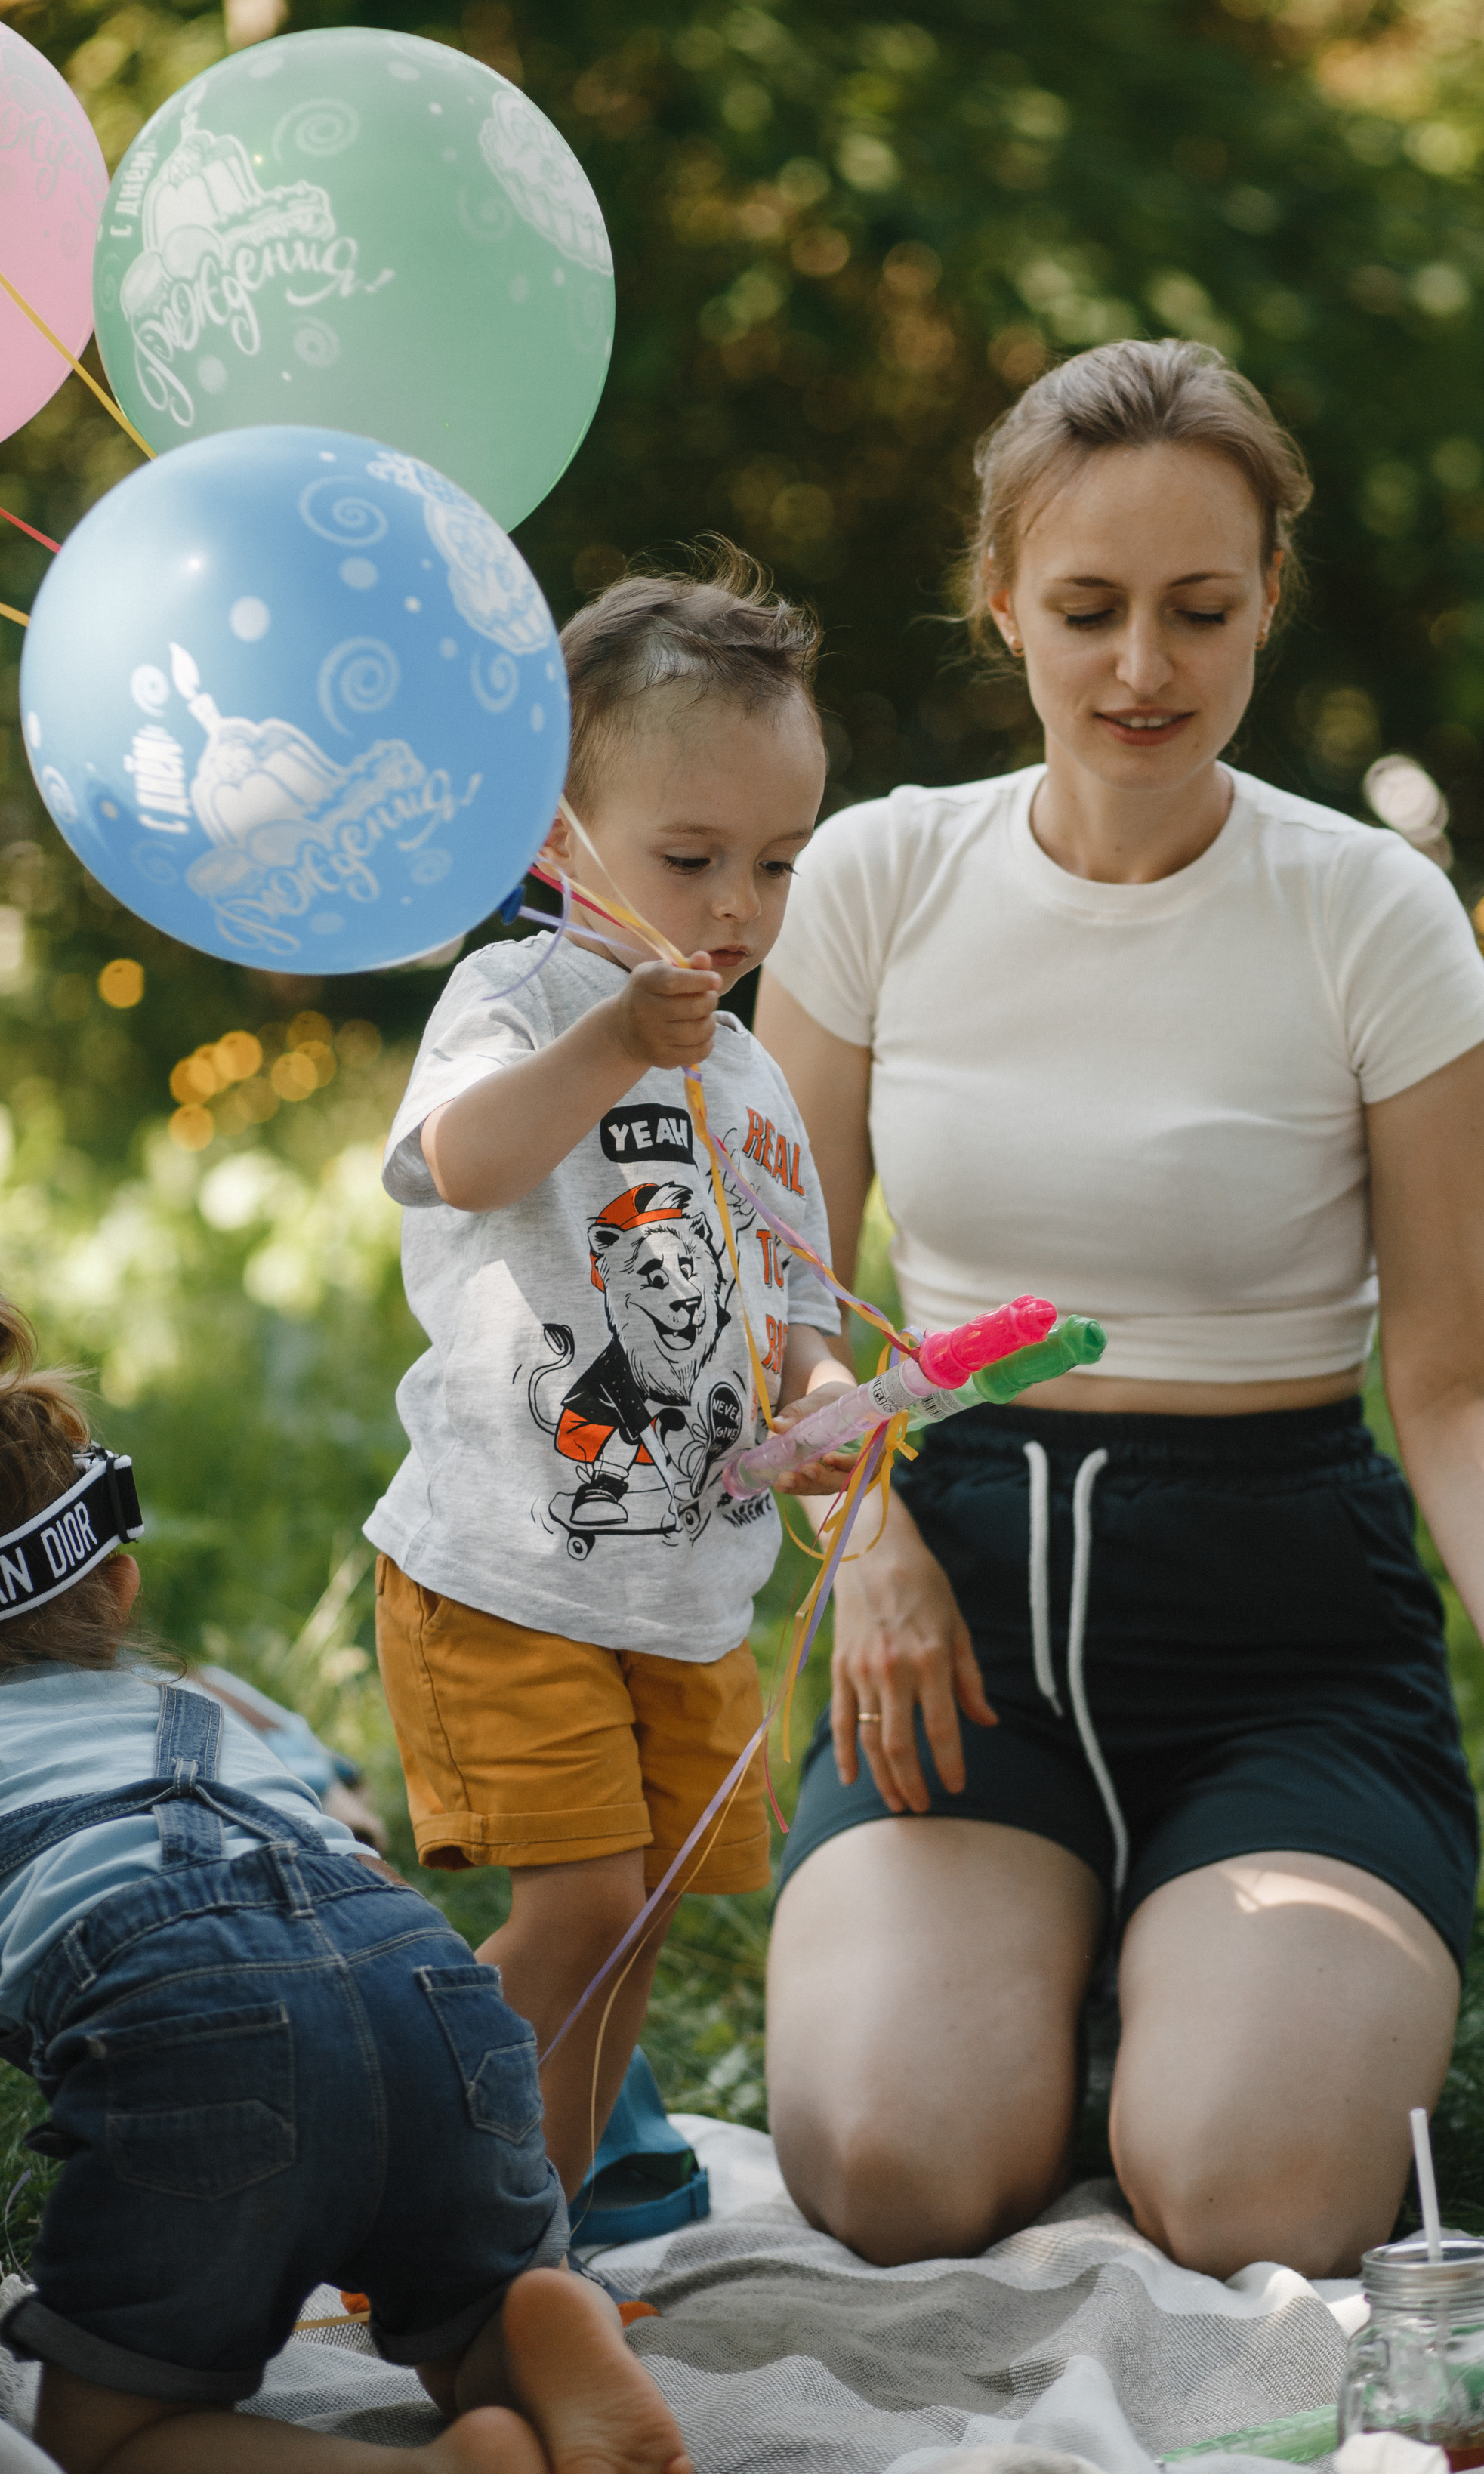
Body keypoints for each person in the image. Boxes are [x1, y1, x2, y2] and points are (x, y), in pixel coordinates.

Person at [754, 338, 1484, 2279]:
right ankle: (1061, 1971)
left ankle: (1191, 1992)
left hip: (1286, 1646)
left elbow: (1461, 1382)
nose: (1142, 667)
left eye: (1196, 611)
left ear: (1264, 609)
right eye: (1087, 609)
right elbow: (778, 1299)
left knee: (1252, 2206)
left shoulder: (1370, 911)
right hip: (955, 1625)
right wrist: (856, 1528)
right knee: (892, 2173)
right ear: (1000, 606)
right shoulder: (878, 877)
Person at [0, 1281, 694, 2474]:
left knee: (110, 2441)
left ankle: (435, 2471)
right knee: (456, 2309)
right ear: (121, 1591)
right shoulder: (207, 1714)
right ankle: (521, 2330)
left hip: (195, 2032)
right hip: (432, 1991)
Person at [368, 554, 855, 2200]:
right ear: (554, 836)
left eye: (775, 864)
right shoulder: (517, 1000)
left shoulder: (748, 1065)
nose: (736, 909)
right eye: (691, 858)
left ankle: (536, 2240)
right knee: (572, 1909)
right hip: (511, 1569)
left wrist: (818, 1384)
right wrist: (607, 1048)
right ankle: (415, 2208)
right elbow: (455, 1157)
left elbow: (785, 1282)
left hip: (679, 1587)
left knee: (630, 1924)